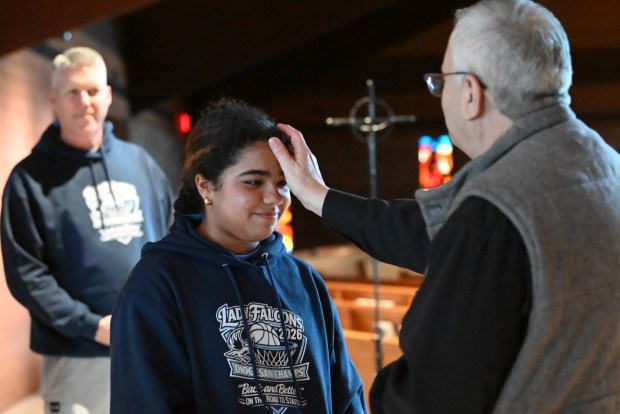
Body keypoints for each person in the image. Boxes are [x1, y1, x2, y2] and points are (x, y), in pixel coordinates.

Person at [268, 0, 620, 413]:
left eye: (442, 82)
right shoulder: (603, 164)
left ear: (470, 93)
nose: (441, 95)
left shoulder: (495, 210)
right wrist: (318, 196)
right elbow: (436, 232)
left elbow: (431, 396)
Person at [109, 98, 367, 414]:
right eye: (254, 182)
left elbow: (346, 396)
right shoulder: (158, 284)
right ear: (205, 186)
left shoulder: (304, 280)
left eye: (282, 183)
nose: (275, 197)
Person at [1, 47, 173, 414]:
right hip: (76, 357)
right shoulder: (29, 180)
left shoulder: (140, 164)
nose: (84, 102)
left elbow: (171, 241)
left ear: (108, 96)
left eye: (93, 91)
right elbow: (27, 276)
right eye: (72, 92)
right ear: (53, 99)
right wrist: (93, 326)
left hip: (147, 344)